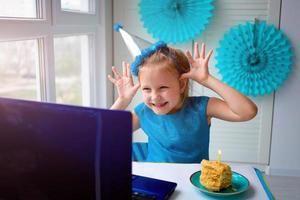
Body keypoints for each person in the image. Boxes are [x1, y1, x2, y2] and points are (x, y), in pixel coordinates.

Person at [108, 42, 257, 163]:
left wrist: (207, 80)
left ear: (181, 85)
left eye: (163, 88)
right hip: (155, 178)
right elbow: (104, 133)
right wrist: (122, 101)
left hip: (193, 180)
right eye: (146, 89)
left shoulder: (202, 108)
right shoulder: (142, 112)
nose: (154, 97)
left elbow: (247, 112)